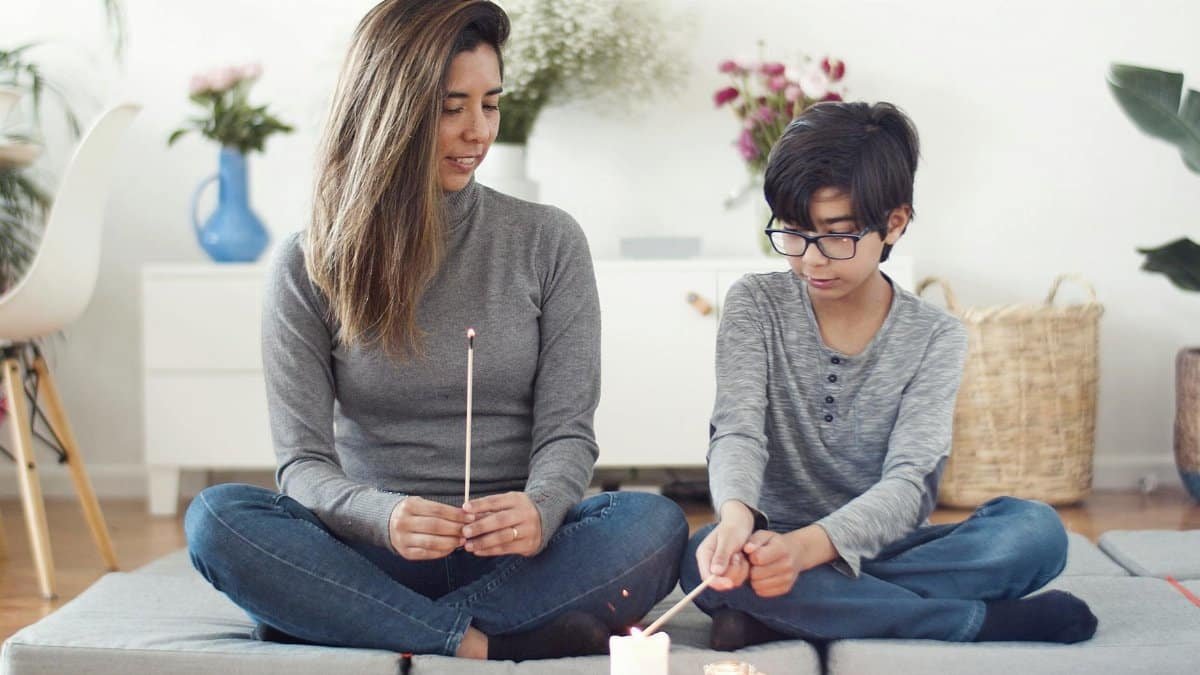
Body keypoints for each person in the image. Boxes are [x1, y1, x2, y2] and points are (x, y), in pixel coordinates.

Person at [184, 0, 687, 661]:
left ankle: (363, 623)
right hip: (371, 552)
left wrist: (538, 509)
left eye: (490, 103)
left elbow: (567, 432)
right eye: (452, 107)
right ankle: (482, 641)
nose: (478, 131)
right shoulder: (308, 264)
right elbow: (301, 465)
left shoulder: (548, 240)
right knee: (216, 519)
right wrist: (383, 516)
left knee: (655, 522)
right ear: (392, 110)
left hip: (516, 560)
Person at [681, 101, 1098, 650]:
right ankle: (969, 622)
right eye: (793, 232)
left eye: (836, 235)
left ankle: (791, 610)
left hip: (876, 547)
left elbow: (908, 486)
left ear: (894, 223)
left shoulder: (935, 336)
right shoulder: (755, 303)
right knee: (701, 558)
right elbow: (737, 432)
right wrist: (736, 522)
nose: (811, 260)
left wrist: (807, 551)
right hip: (766, 544)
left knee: (1035, 534)